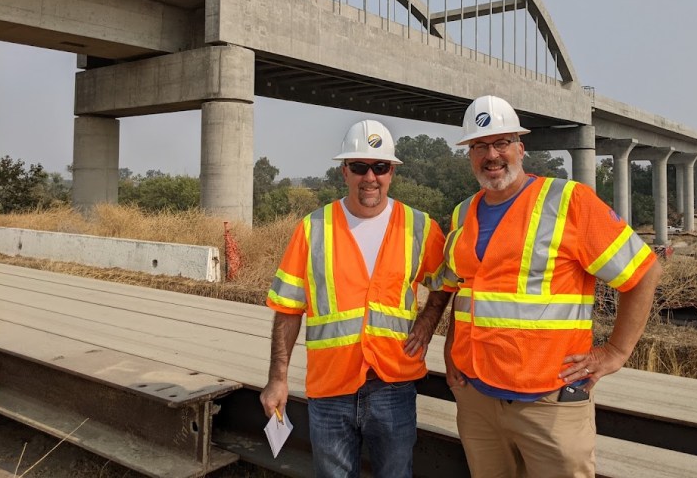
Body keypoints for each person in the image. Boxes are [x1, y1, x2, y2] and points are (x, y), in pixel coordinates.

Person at [443, 95, 662, 478]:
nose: (491, 154)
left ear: (520, 148)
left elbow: (643, 272)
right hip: (477, 398)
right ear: (469, 155)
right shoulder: (463, 212)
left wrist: (616, 351)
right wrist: (450, 352)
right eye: (479, 146)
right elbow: (466, 290)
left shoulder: (568, 201)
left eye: (501, 143)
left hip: (550, 401)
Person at [260, 119, 451, 478]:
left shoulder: (419, 227)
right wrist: (277, 379)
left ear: (391, 171)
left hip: (393, 385)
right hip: (330, 388)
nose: (370, 177)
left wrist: (427, 321)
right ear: (344, 171)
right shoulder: (313, 228)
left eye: (380, 167)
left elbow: (445, 281)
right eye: (360, 166)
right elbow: (287, 309)